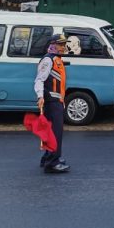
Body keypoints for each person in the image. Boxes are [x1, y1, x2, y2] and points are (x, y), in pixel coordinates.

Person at [34, 34, 70, 174]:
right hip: (51, 103)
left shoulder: (56, 59)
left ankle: (48, 158)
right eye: (60, 44)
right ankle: (52, 163)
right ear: (53, 45)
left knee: (51, 132)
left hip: (56, 102)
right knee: (55, 133)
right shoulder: (48, 60)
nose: (63, 47)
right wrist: (40, 96)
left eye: (64, 44)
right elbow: (39, 80)